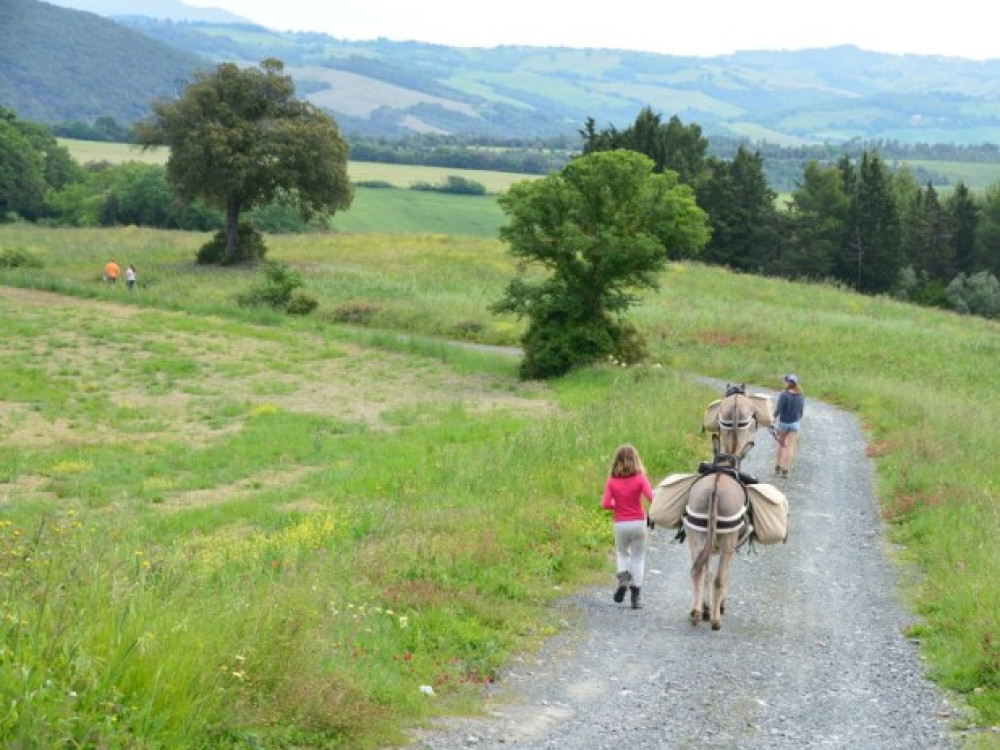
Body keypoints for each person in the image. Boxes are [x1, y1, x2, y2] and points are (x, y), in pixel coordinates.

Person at [600, 443, 654, 609]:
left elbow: (605, 504)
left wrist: (618, 505)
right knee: (638, 558)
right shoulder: (640, 479)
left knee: (622, 553)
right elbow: (651, 497)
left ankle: (623, 580)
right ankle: (635, 597)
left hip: (621, 524)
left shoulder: (612, 482)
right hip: (638, 522)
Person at [774, 374, 805, 476]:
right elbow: (801, 411)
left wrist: (773, 418)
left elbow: (778, 409)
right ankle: (785, 469)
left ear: (788, 383)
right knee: (789, 446)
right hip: (795, 424)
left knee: (781, 444)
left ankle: (778, 466)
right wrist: (796, 418)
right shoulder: (800, 395)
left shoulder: (784, 394)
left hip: (783, 423)